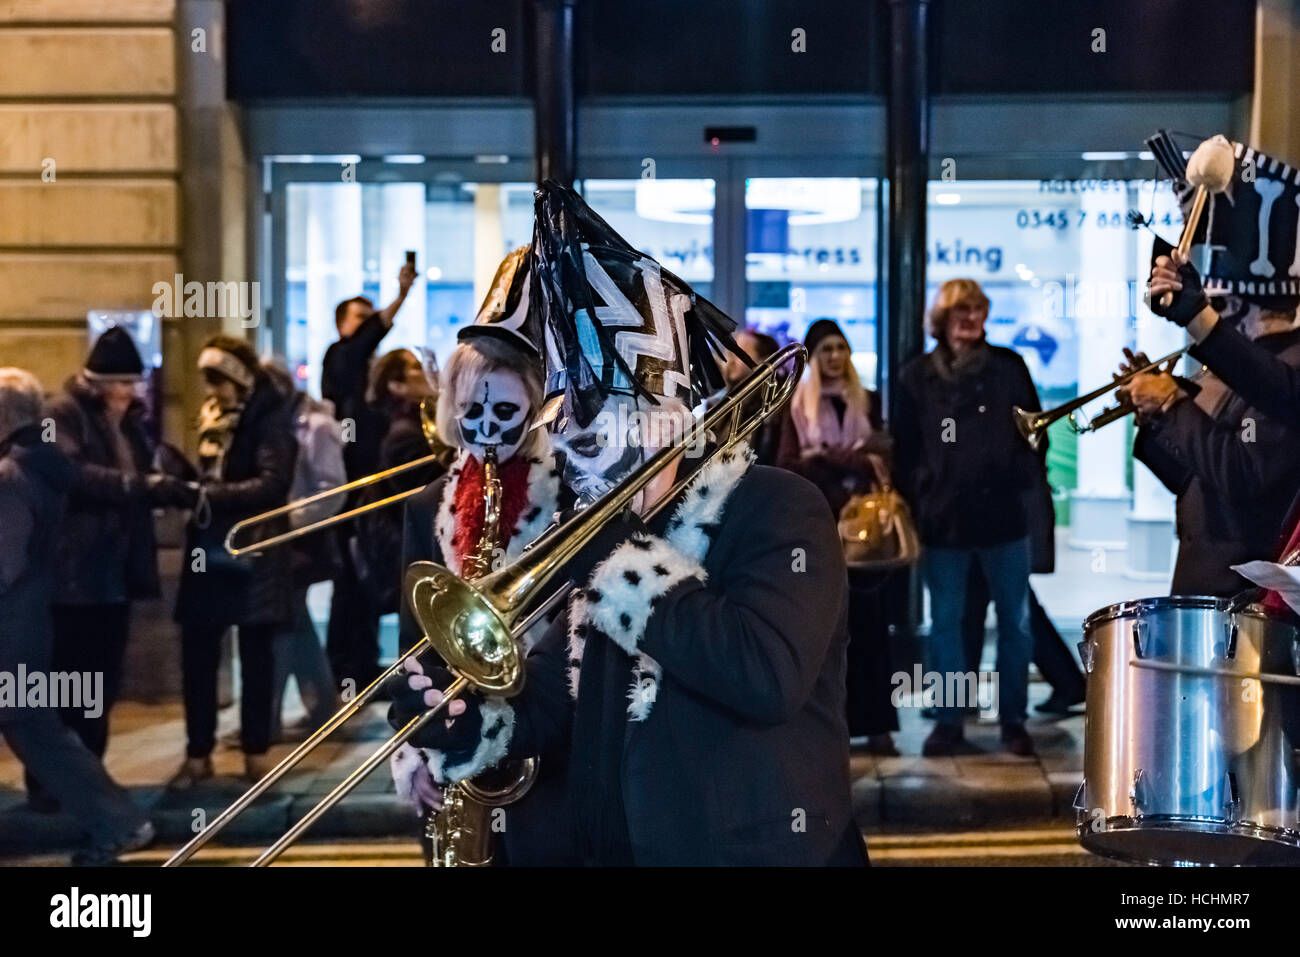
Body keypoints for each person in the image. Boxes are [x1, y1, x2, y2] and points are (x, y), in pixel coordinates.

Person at [387, 182, 863, 865]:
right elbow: (552, 694)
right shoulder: (605, 534)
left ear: (664, 417)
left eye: (587, 418)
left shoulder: (776, 507)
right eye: (561, 421)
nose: (565, 443)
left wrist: (618, 562)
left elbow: (767, 674)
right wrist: (464, 730)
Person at [389, 247, 571, 864]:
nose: (487, 429)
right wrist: (413, 746)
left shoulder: (573, 494)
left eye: (505, 411)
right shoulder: (426, 505)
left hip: (552, 757)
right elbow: (412, 647)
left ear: (537, 408)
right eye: (471, 412)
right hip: (455, 757)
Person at [0, 367, 155, 865]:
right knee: (41, 733)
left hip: (9, 629)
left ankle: (121, 824)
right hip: (26, 626)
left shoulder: (11, 476)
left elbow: (4, 561)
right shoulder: (40, 466)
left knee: (41, 732)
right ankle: (120, 824)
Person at [1136, 133, 1300, 596]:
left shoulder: (1281, 363)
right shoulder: (1243, 361)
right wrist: (1154, 417)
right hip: (1206, 572)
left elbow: (1243, 473)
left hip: (1242, 586)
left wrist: (1172, 406)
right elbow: (1192, 474)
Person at [25, 328, 175, 810]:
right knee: (67, 680)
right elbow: (70, 473)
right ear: (98, 382)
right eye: (122, 383)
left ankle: (90, 777)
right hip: (73, 576)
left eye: (134, 383)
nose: (130, 392)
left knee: (100, 683)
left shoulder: (127, 420)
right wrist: (138, 485)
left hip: (112, 573)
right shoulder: (63, 413)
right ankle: (53, 784)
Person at [894, 278, 1040, 757]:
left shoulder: (1008, 368)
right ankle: (949, 719)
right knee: (946, 624)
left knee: (1015, 624)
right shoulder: (917, 376)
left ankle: (1013, 720)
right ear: (942, 317)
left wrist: (1019, 474)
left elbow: (1035, 434)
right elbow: (906, 449)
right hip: (944, 521)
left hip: (1004, 517)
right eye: (960, 309)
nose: (970, 317)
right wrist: (923, 494)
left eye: (977, 308)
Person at [170, 336, 297, 787]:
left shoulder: (269, 419)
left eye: (218, 382)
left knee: (256, 654)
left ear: (239, 381)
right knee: (198, 653)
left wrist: (204, 495)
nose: (211, 392)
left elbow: (272, 484)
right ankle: (197, 753)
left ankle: (256, 754)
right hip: (207, 547)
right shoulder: (211, 419)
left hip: (253, 548)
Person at [776, 318, 902, 755]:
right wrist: (850, 460)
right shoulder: (795, 404)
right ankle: (832, 727)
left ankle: (879, 724)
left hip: (863, 532)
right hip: (820, 527)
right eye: (825, 349)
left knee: (871, 627)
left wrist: (829, 455)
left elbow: (882, 457)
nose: (834, 357)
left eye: (840, 348)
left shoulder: (866, 399)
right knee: (828, 630)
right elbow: (789, 464)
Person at [321, 262, 417, 693]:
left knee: (366, 581)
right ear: (343, 326)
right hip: (348, 492)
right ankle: (346, 667)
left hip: (368, 492)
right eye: (358, 319)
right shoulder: (340, 357)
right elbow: (363, 344)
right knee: (350, 579)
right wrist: (399, 298)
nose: (367, 328)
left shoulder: (363, 372)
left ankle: (361, 664)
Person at [262, 361, 345, 741]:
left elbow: (331, 489)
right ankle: (321, 707)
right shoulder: (284, 423)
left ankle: (269, 719)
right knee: (295, 624)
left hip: (301, 539)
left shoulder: (316, 426)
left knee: (284, 624)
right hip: (289, 536)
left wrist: (289, 522)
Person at [720, 328, 782, 464]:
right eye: (729, 353)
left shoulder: (771, 405)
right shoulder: (721, 402)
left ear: (764, 361)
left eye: (739, 353)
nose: (730, 360)